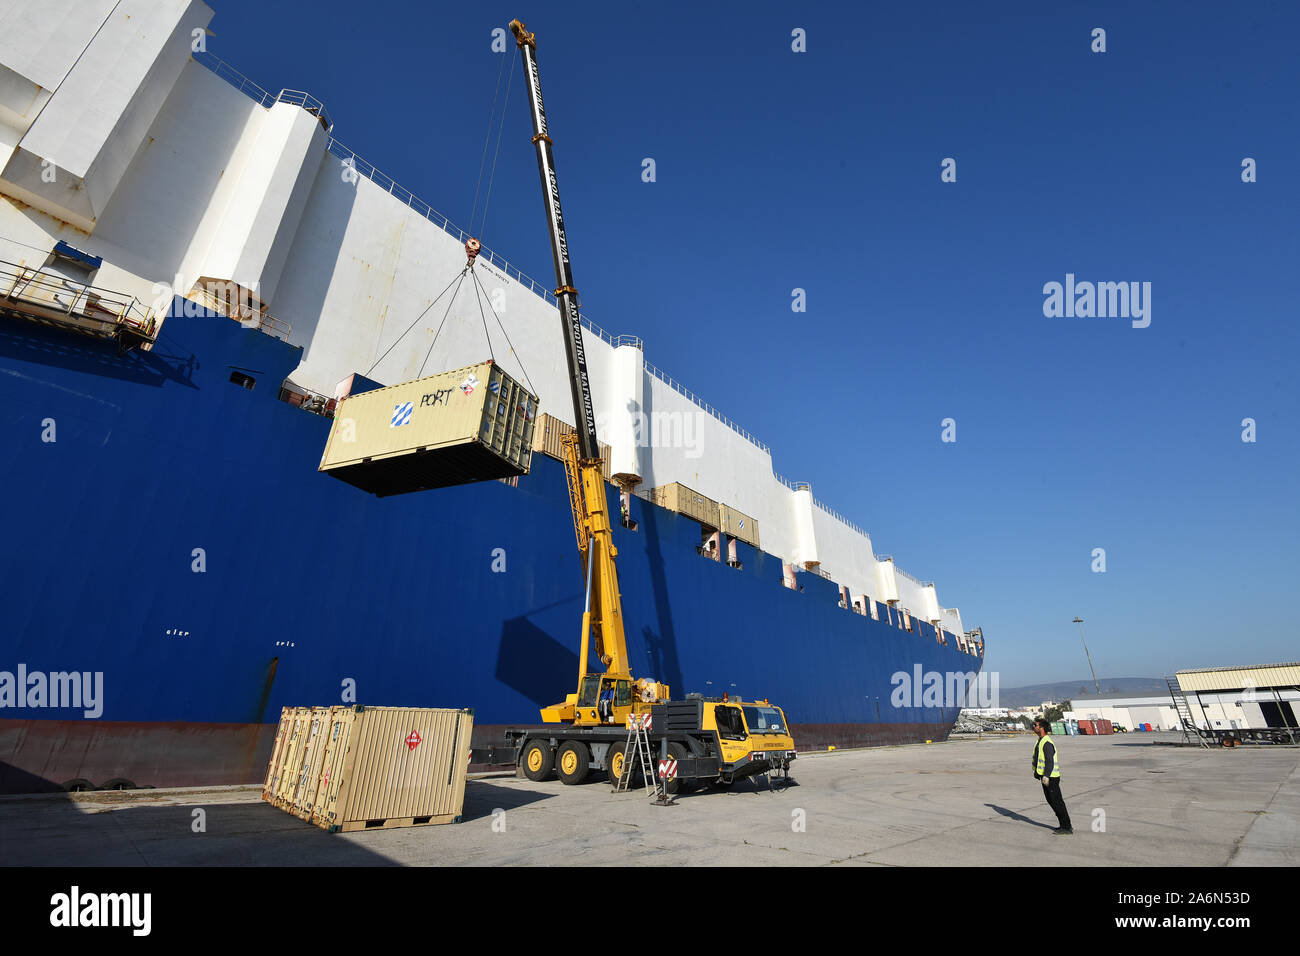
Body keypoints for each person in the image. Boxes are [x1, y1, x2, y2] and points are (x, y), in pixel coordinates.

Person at [1032, 717, 1072, 834]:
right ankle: (1063, 824)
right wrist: (1037, 772)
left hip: (1051, 778)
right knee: (1052, 801)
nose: (1034, 727)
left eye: (1036, 725)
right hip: (1046, 776)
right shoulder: (1040, 740)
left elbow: (1050, 761)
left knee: (1057, 801)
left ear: (1042, 728)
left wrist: (1046, 776)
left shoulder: (1046, 742)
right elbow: (1039, 759)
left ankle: (1066, 827)